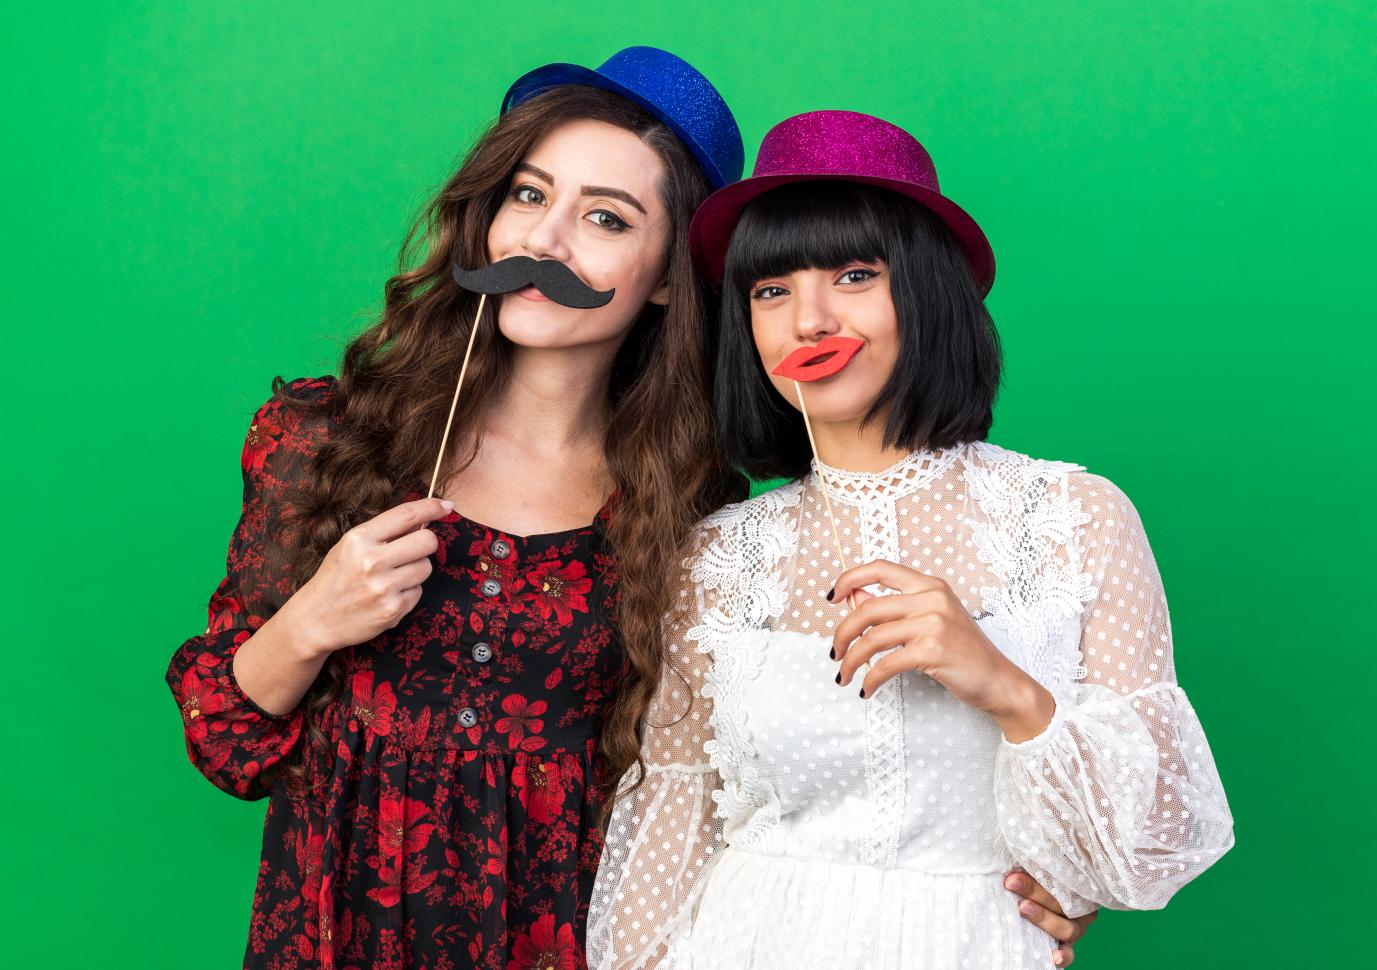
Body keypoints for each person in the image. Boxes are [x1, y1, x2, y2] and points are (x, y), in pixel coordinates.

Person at [587, 110, 1234, 969]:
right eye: (769, 290)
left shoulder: (1076, 518)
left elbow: (1151, 842)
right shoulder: (717, 557)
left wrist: (1004, 686)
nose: (808, 321)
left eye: (853, 275)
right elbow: (670, 830)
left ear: (927, 291)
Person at [165, 48, 747, 969]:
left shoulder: (691, 515)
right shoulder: (324, 439)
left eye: (603, 217)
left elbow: (717, 791)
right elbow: (224, 743)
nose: (542, 243)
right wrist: (314, 618)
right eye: (526, 195)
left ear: (668, 276)